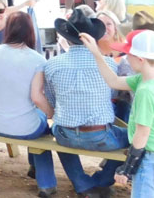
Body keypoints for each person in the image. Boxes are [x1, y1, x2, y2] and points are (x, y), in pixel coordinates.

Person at [80, 29, 154, 197]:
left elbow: (142, 134)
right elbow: (113, 81)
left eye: (128, 54)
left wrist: (126, 169)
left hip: (152, 160)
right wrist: (96, 53)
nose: (126, 57)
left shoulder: (146, 91)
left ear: (140, 59)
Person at [44, 10, 127, 197]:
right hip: (101, 135)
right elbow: (112, 94)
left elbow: (51, 100)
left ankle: (83, 185)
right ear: (93, 38)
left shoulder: (51, 64)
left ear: (68, 38)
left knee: (58, 130)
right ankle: (102, 180)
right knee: (134, 138)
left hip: (66, 132)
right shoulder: (110, 64)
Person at [0, 12, 56, 198]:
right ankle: (46, 183)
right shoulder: (37, 59)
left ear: (8, 30)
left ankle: (35, 168)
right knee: (42, 128)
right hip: (26, 126)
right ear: (30, 31)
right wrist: (51, 113)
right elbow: (36, 97)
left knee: (35, 122)